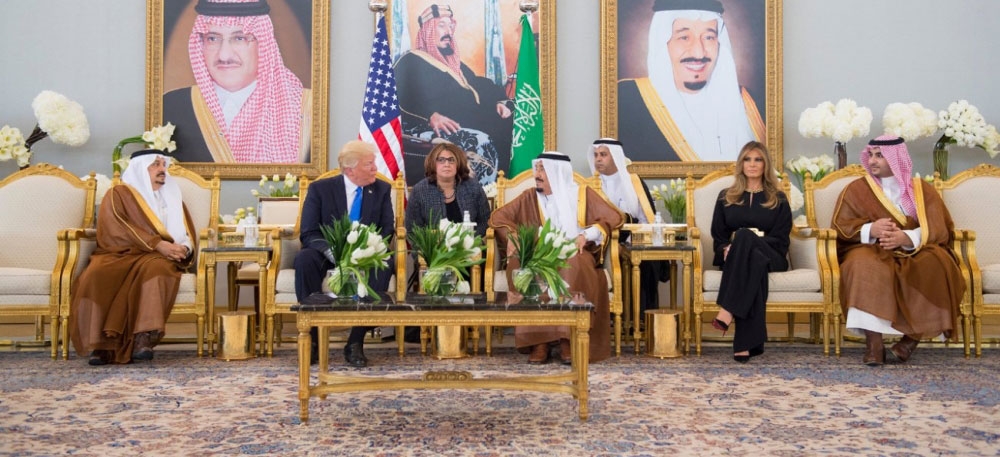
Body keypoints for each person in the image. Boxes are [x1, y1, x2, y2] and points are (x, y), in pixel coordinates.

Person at [833, 136, 965, 366]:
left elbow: (939, 227)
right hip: (872, 248)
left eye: (879, 156)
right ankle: (874, 344)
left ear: (896, 158)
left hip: (915, 250)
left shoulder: (922, 190)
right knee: (860, 264)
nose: (872, 161)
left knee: (938, 262)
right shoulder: (857, 189)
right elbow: (841, 226)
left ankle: (910, 340)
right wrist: (871, 229)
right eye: (870, 155)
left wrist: (907, 237)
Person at [489, 152, 623, 364]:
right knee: (522, 265)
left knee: (571, 264)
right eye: (537, 168)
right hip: (539, 252)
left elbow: (613, 217)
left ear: (557, 172)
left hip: (575, 251)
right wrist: (513, 235)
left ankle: (566, 338)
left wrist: (585, 235)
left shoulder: (582, 194)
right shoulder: (529, 197)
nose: (537, 174)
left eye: (543, 169)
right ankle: (539, 341)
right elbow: (498, 217)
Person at [70, 149, 196, 366]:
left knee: (157, 271)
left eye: (163, 164)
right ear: (139, 169)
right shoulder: (118, 194)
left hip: (156, 258)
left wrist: (183, 248)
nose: (162, 169)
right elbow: (117, 227)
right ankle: (102, 344)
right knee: (96, 273)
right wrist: (157, 244)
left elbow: (185, 232)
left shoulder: (173, 196)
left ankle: (143, 338)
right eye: (155, 164)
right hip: (119, 253)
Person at [163, 0, 311, 163]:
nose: (224, 55)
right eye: (212, 39)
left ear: (263, 43)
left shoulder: (307, 109)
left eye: (239, 38)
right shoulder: (171, 107)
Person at [618, 0, 765, 162]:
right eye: (684, 37)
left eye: (709, 37)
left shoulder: (752, 103)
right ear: (662, 43)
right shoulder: (626, 101)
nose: (698, 52)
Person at [294, 141, 395, 367]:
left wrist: (367, 250)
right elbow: (308, 231)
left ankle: (355, 341)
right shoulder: (320, 189)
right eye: (369, 164)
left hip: (365, 253)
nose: (375, 168)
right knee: (304, 259)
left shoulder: (381, 189)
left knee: (386, 262)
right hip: (327, 254)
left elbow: (387, 229)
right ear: (350, 170)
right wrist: (332, 252)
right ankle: (313, 339)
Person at [393, 4, 513, 185]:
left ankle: (505, 190)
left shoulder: (455, 65)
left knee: (509, 126)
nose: (448, 31)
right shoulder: (411, 61)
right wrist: (429, 116)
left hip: (472, 121)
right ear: (428, 30)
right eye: (442, 25)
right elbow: (402, 95)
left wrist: (499, 101)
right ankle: (482, 195)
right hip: (434, 126)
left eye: (450, 26)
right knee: (481, 139)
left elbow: (478, 86)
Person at [710, 141, 791, 363]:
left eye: (758, 159)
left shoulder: (778, 198)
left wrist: (746, 241)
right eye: (747, 159)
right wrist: (726, 248)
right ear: (741, 164)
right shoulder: (725, 197)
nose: (752, 164)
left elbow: (781, 239)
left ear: (766, 164)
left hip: (772, 255)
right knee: (752, 262)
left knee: (745, 237)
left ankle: (727, 309)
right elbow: (718, 236)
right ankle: (745, 345)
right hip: (735, 258)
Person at [587, 138, 668, 316]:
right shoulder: (591, 186)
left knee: (647, 260)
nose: (598, 159)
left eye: (603, 155)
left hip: (632, 239)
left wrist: (629, 244)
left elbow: (647, 219)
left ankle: (641, 319)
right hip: (601, 241)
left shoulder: (634, 183)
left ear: (616, 157)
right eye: (596, 155)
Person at [405, 143, 491, 238]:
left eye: (451, 160)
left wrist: (469, 240)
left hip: (470, 244)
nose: (447, 164)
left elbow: (485, 222)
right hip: (433, 247)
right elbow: (412, 230)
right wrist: (430, 245)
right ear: (433, 163)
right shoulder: (419, 190)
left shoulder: (473, 187)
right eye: (441, 160)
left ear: (458, 163)